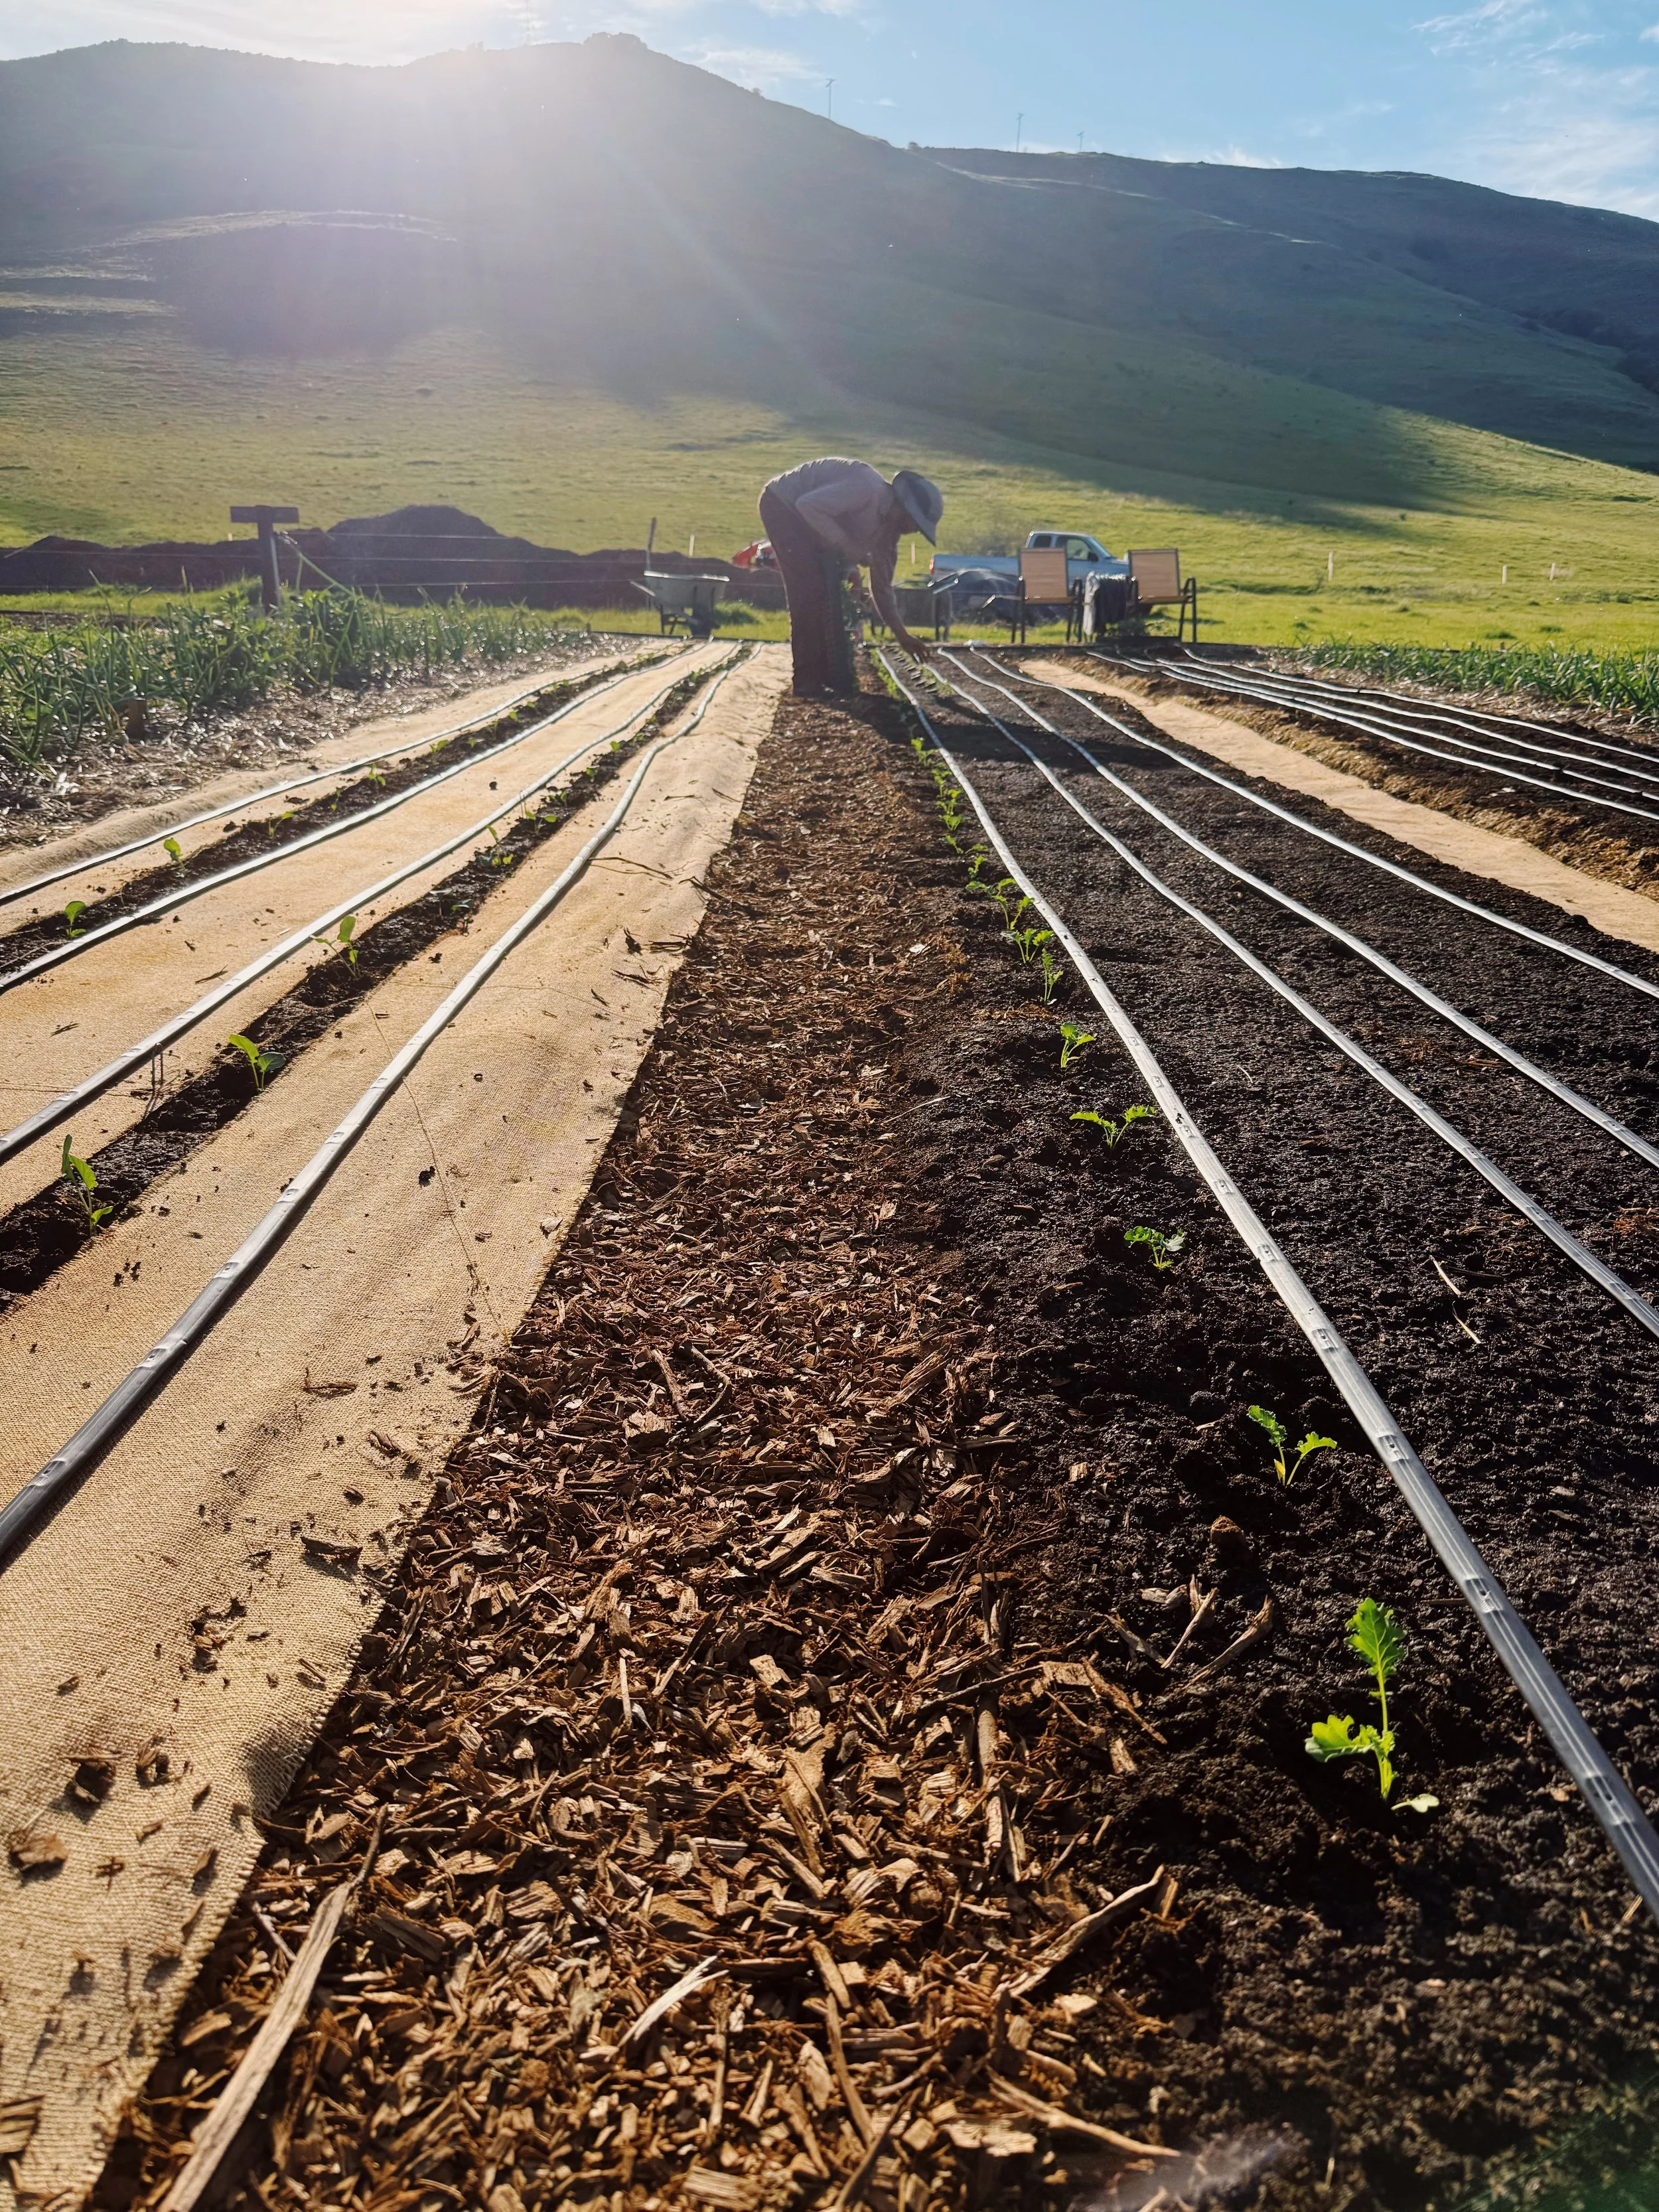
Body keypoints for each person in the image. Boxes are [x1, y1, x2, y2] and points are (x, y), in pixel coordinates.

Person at [758, 458, 943, 696]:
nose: (914, 531)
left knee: (827, 593)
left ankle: (826, 675)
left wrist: (902, 635)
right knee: (809, 592)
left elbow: (882, 589)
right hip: (783, 506)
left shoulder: (887, 537)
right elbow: (808, 506)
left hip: (807, 519)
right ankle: (806, 682)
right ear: (904, 507)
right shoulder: (866, 489)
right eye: (916, 523)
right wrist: (848, 547)